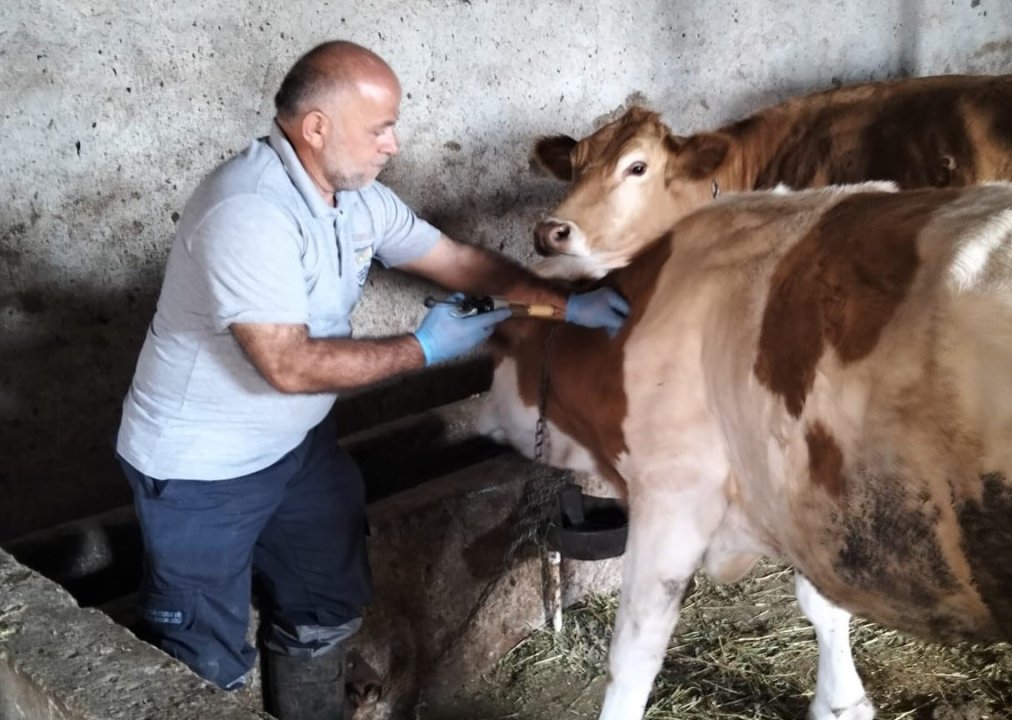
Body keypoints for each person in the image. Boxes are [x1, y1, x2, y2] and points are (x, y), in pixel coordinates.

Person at [114, 40, 628, 719]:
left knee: (324, 601)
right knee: (201, 661)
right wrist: (423, 348)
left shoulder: (354, 202)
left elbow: (457, 263)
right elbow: (288, 364)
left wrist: (567, 300)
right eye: (379, 127)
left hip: (292, 449)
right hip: (199, 471)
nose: (393, 143)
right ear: (317, 127)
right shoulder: (248, 210)